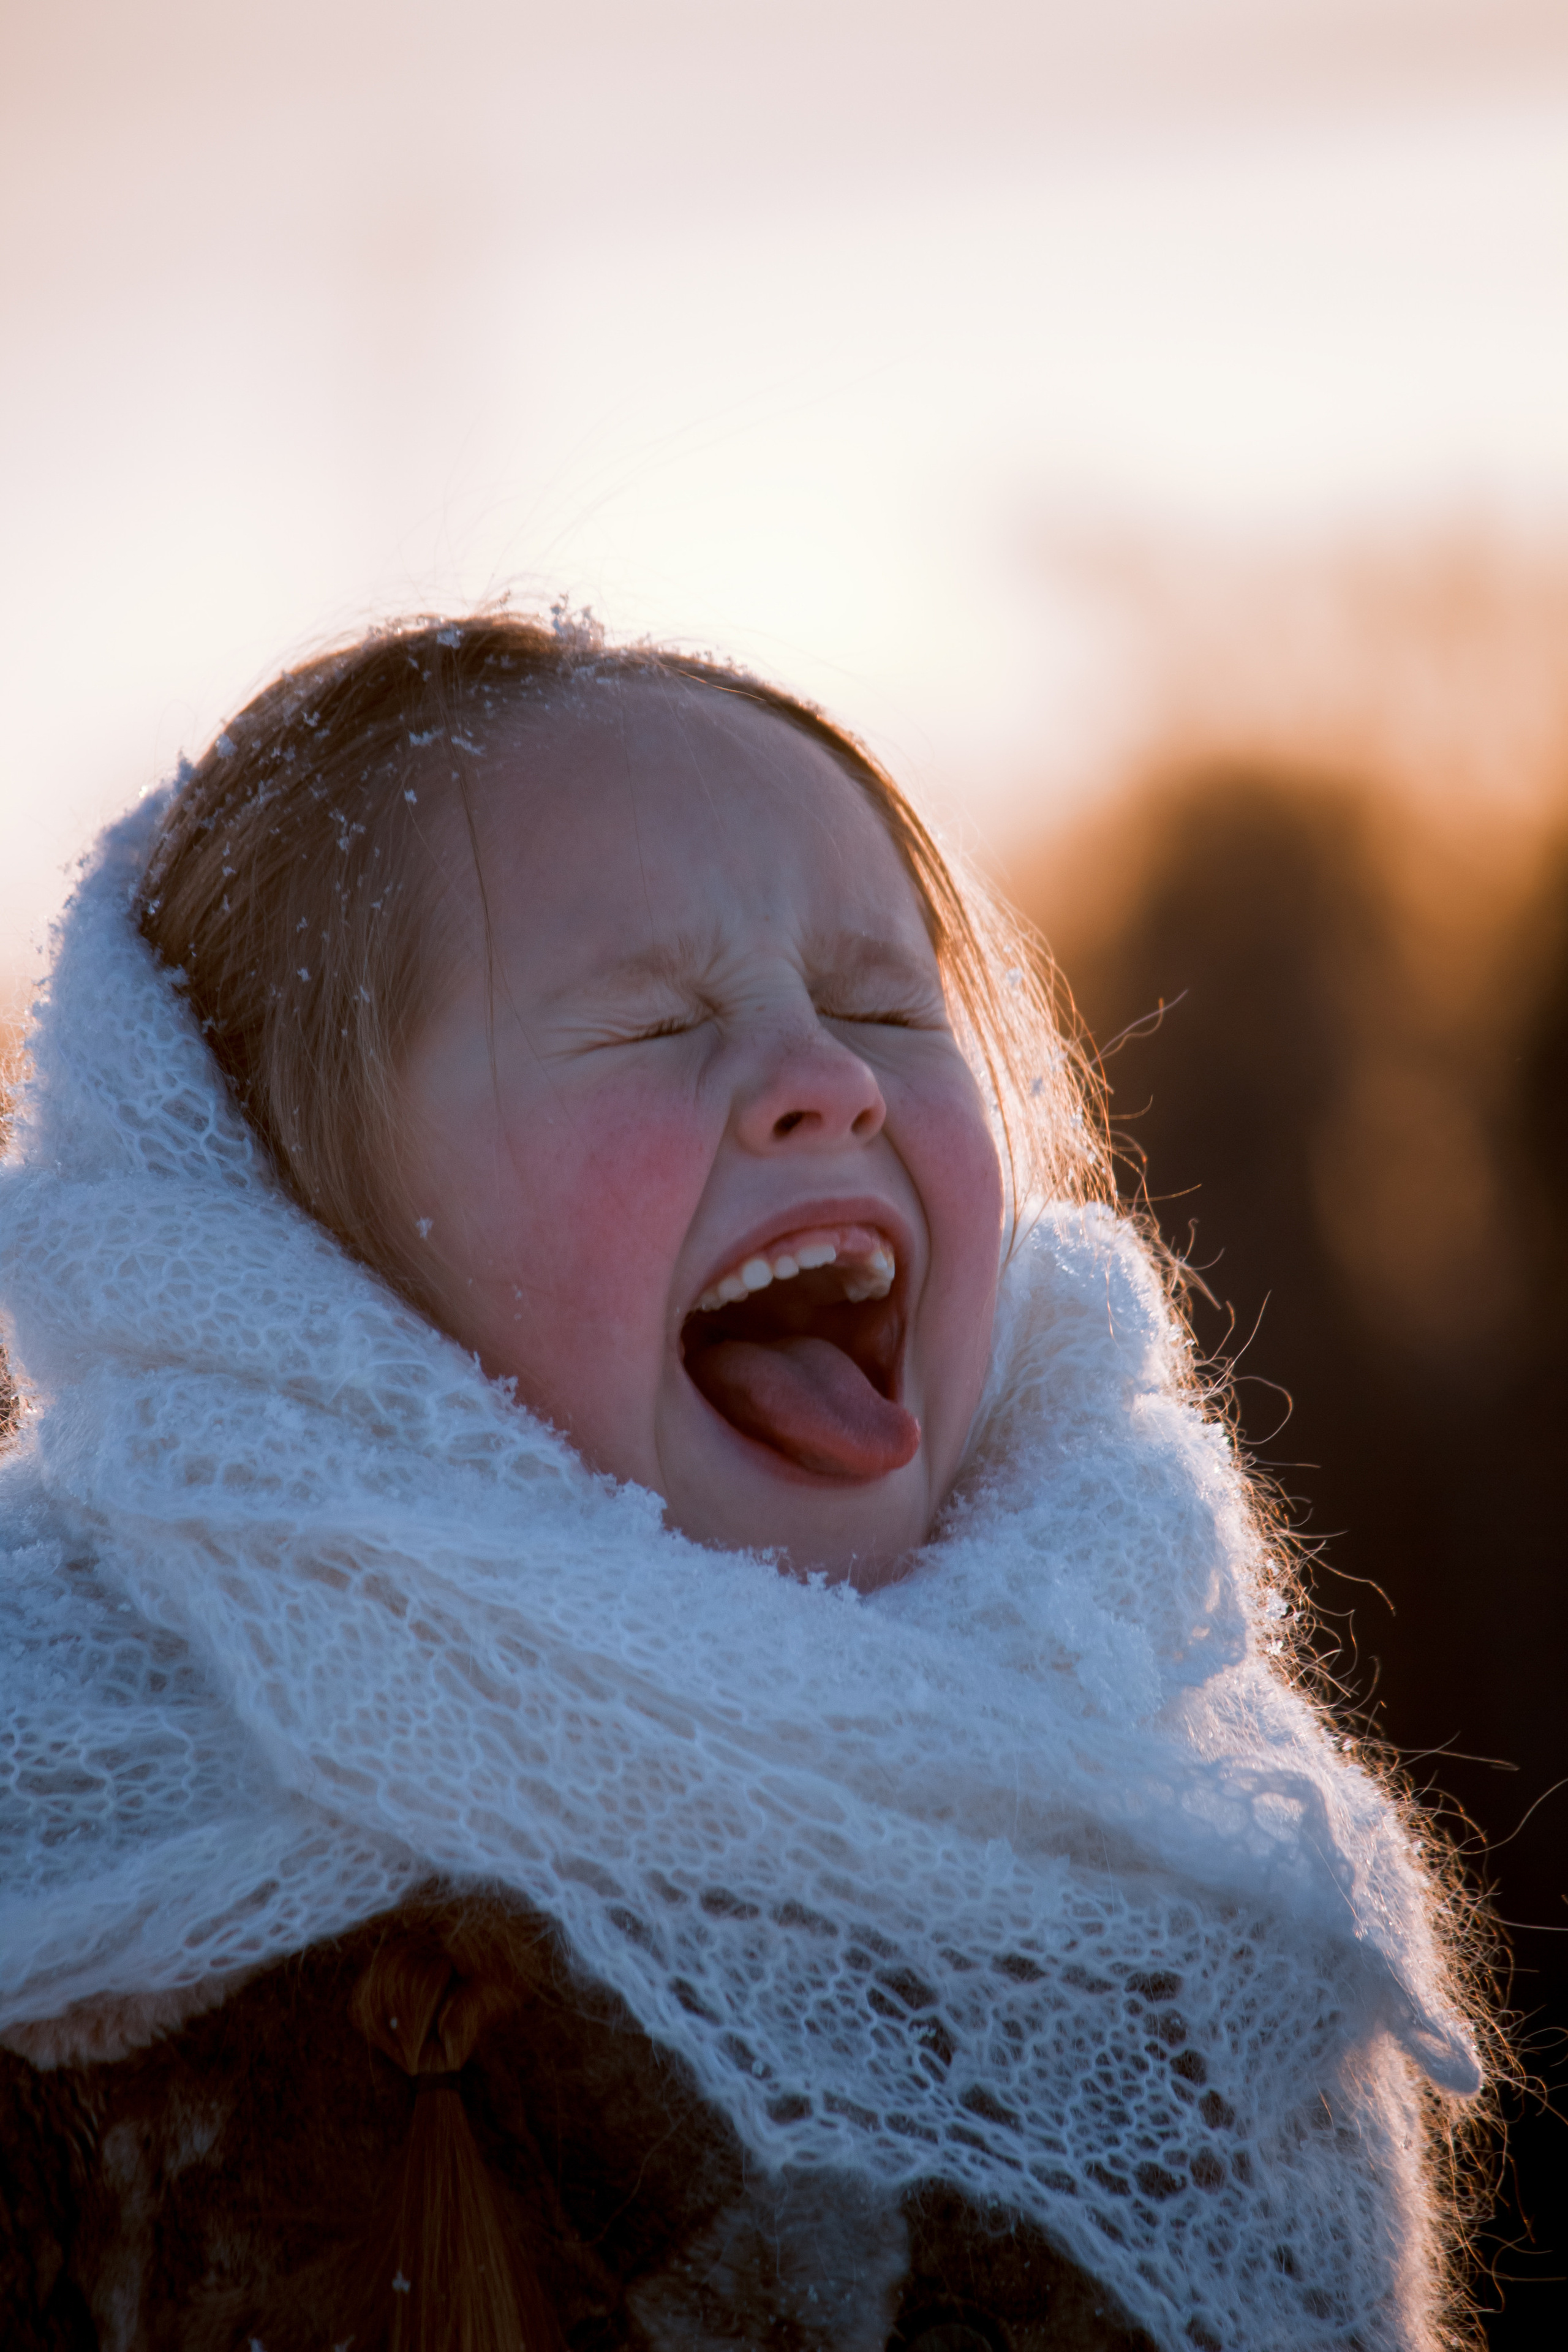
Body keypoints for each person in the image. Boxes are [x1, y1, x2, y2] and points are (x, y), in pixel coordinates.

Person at [0, 612, 1487, 2351]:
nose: (829, 1080)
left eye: (881, 1004)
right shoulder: (74, 1940)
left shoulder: (1184, 1941)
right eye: (649, 1024)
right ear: (282, 1263)